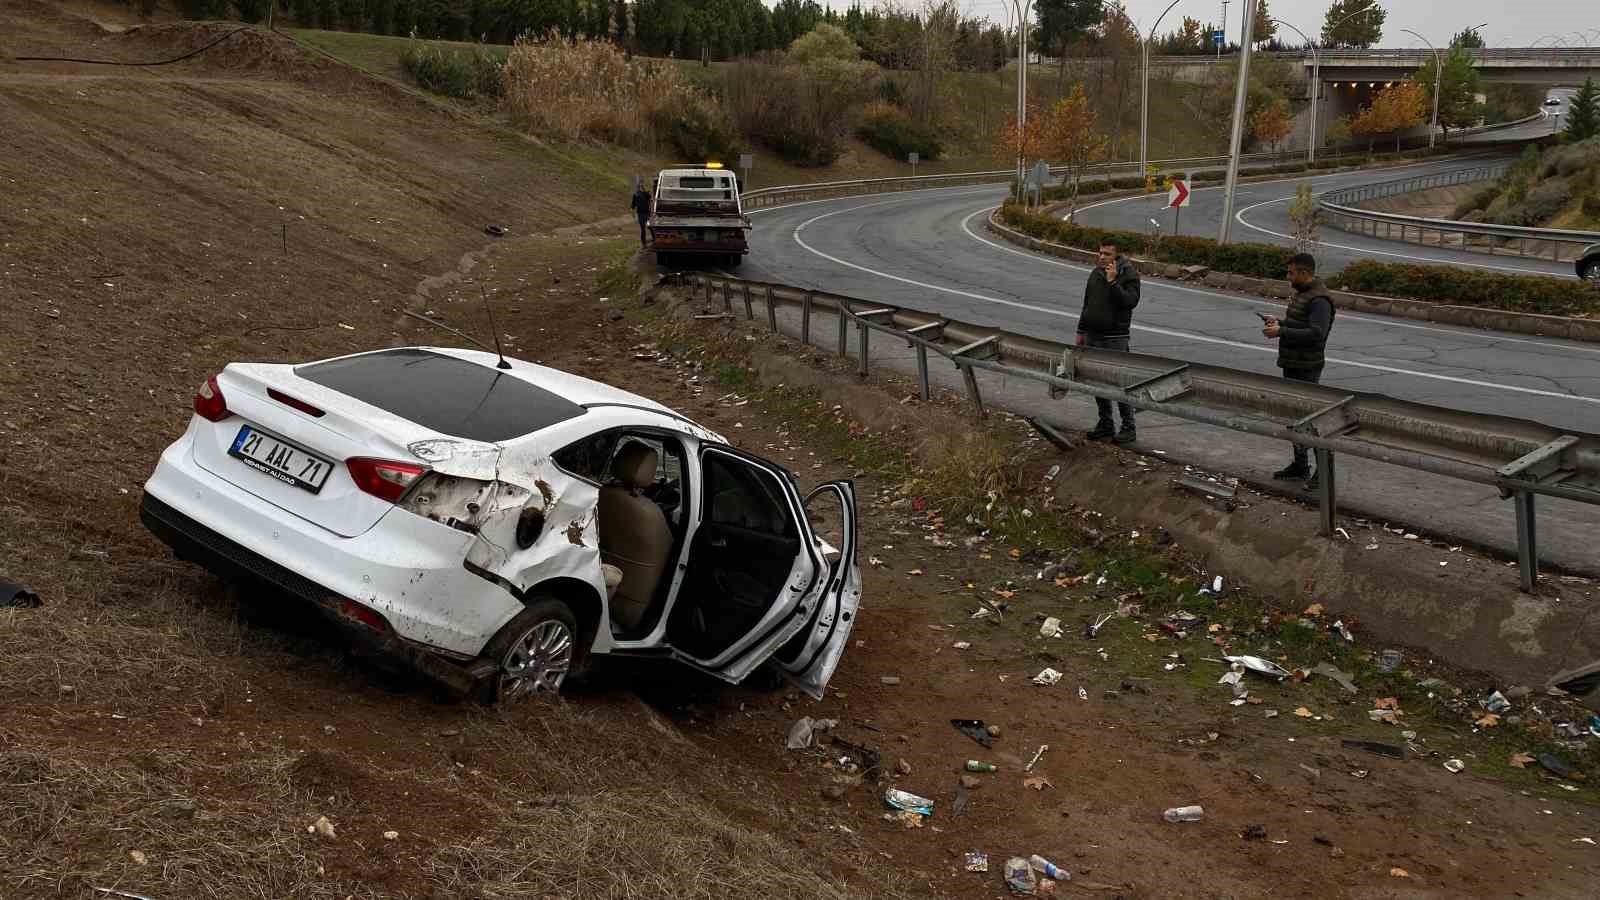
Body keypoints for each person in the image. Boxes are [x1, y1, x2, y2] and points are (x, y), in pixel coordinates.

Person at [1262, 252, 1336, 490]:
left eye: (1291, 272)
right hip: (1293, 362)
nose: (1288, 276)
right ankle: (1300, 465)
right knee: (1294, 419)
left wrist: (1281, 332)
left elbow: (1316, 334)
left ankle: (1322, 473)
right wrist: (1280, 323)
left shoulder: (1320, 300)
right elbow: (1302, 325)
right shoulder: (1303, 293)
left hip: (1307, 366)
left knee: (1311, 421)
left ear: (1305, 273)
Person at [1076, 239, 1141, 444]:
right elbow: (1087, 303)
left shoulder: (1128, 274)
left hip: (1115, 338)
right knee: (1097, 382)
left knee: (1119, 383)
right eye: (1100, 253)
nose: (1102, 257)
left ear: (1117, 256)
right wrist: (1081, 330)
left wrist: (1113, 282)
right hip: (1092, 335)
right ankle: (1105, 424)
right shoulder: (1096, 272)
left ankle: (1128, 427)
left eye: (1107, 254)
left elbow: (1131, 302)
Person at [630, 180, 652, 248]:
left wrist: (645, 191)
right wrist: (632, 213)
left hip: (647, 213)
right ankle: (644, 244)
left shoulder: (645, 193)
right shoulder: (635, 195)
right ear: (638, 187)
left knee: (651, 227)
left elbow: (649, 197)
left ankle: (654, 240)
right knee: (643, 229)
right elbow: (633, 205)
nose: (641, 186)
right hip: (640, 214)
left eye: (642, 185)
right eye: (640, 186)